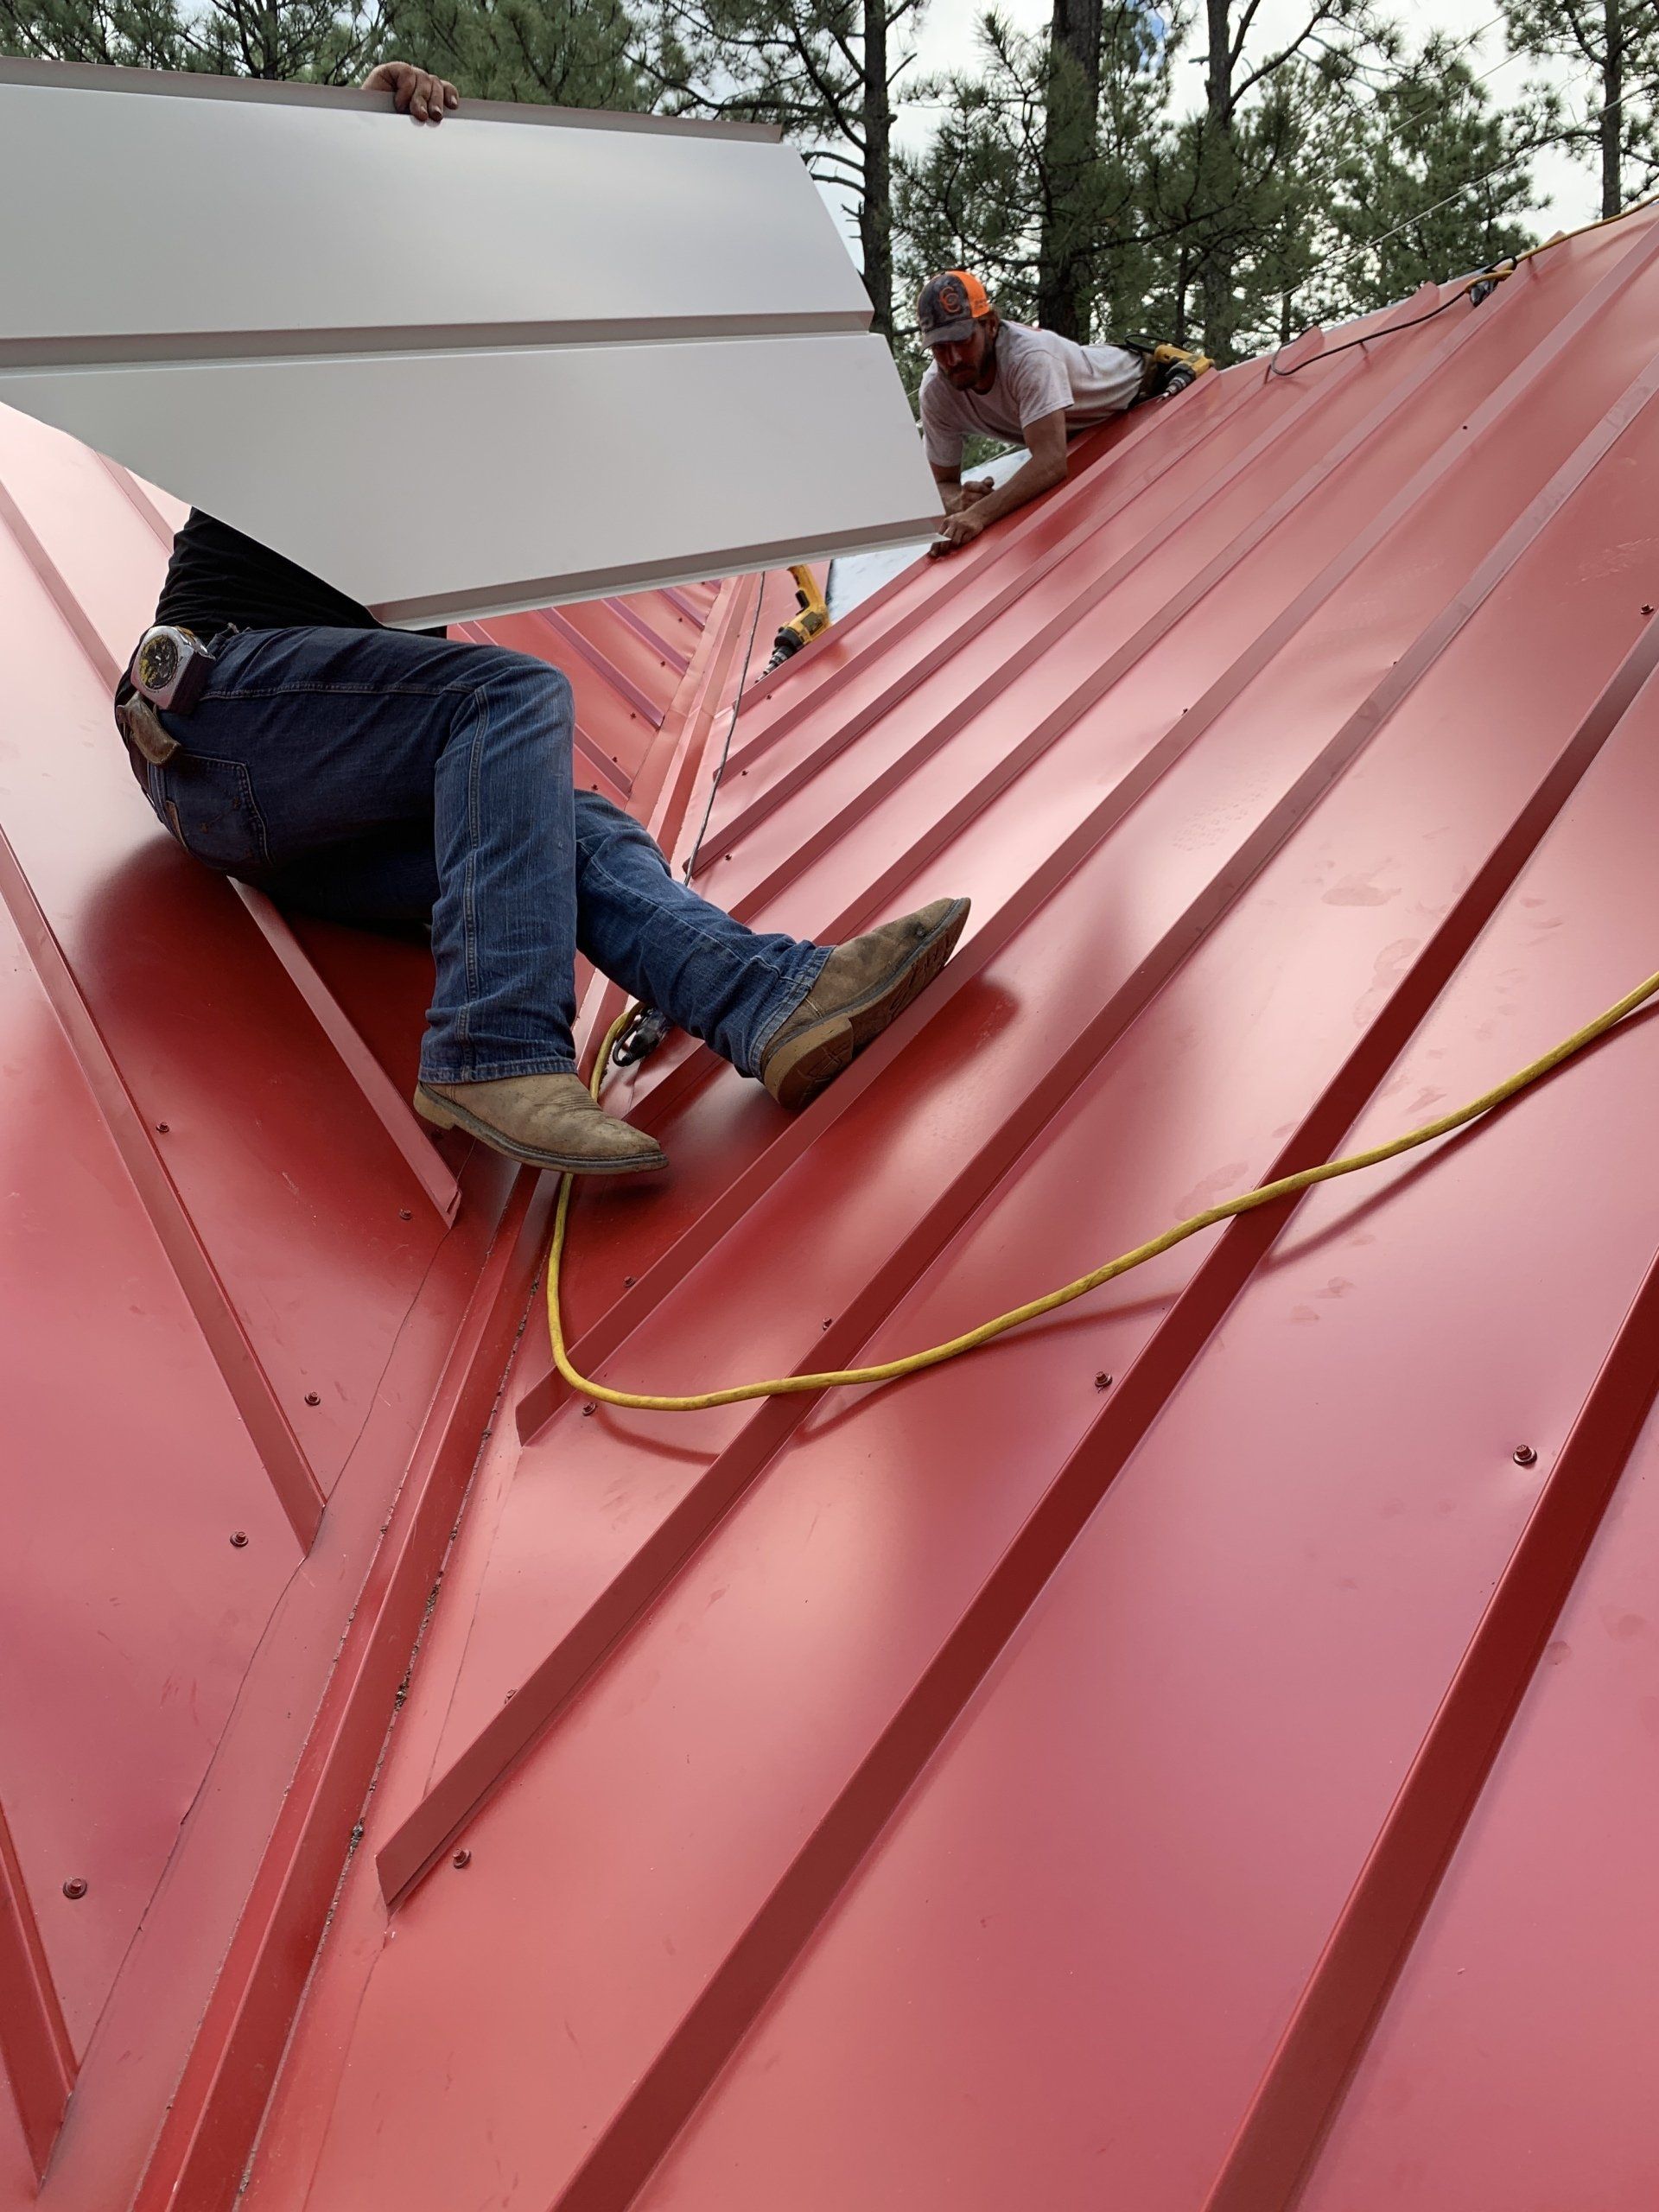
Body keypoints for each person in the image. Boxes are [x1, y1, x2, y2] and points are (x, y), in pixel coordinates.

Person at [114, 61, 969, 1177]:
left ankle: (771, 1004)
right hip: (214, 721)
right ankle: (491, 1048)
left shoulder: (460, 480)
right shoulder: (315, 366)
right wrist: (367, 139)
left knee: (581, 830)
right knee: (510, 693)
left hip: (305, 810)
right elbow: (271, 241)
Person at [916, 269, 1210, 556]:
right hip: (1083, 437)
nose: (953, 358)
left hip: (1147, 392)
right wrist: (959, 502)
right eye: (940, 348)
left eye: (963, 341)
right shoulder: (936, 392)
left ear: (991, 324)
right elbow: (941, 483)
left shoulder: (1028, 357)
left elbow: (1050, 462)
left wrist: (978, 514)